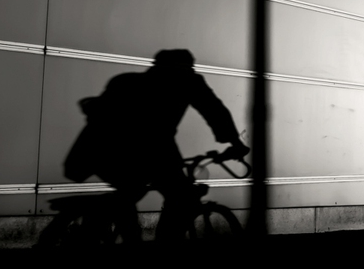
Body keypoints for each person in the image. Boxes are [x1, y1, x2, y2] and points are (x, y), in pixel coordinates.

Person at [68, 49, 249, 241]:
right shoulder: (187, 82)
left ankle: (101, 224)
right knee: (182, 198)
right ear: (186, 68)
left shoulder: (125, 81)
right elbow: (214, 110)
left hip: (100, 151)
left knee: (130, 192)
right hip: (155, 152)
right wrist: (236, 143)